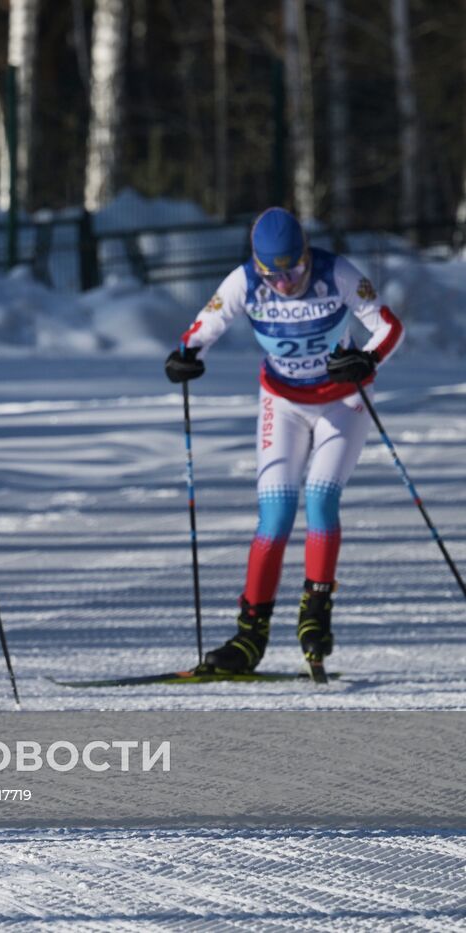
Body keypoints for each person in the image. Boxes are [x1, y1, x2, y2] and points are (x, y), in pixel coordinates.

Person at [165, 207, 402, 673]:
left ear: (306, 255)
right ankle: (249, 636)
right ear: (256, 264)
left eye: (294, 270)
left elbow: (389, 327)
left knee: (320, 498)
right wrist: (185, 356)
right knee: (274, 517)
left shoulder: (336, 273)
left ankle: (315, 614)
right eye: (271, 274)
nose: (285, 283)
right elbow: (201, 330)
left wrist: (366, 361)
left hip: (342, 402)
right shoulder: (243, 282)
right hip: (284, 402)